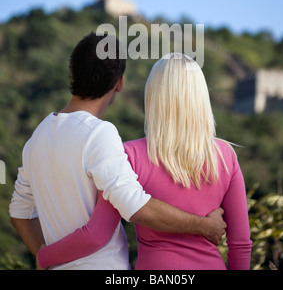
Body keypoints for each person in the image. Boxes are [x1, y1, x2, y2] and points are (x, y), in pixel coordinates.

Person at [9, 34, 226, 270]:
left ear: (72, 74)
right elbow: (135, 206)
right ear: (119, 83)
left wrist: (46, 258)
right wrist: (205, 227)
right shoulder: (99, 133)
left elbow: (19, 213)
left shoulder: (37, 138)